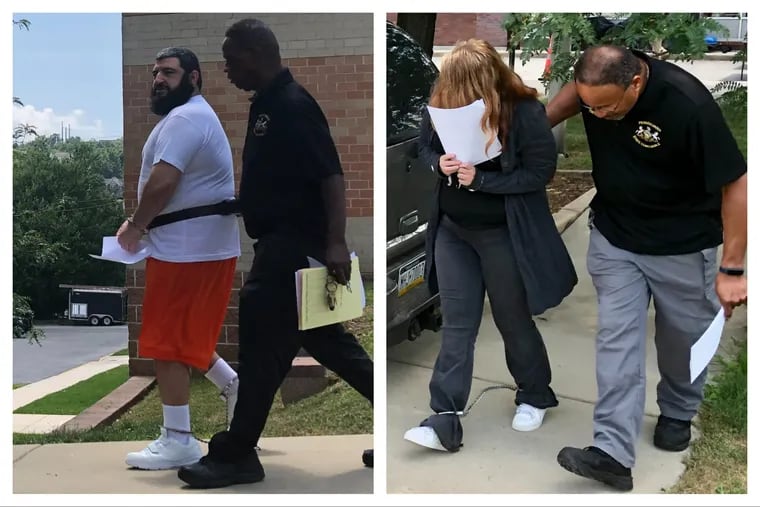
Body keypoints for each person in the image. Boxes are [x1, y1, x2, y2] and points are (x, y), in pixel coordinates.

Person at [177, 18, 374, 488]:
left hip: (289, 252)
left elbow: (330, 173)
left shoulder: (292, 104)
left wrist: (337, 241)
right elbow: (283, 177)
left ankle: (237, 453)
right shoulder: (267, 104)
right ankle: (389, 421)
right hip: (283, 244)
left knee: (261, 351)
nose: (225, 70)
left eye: (230, 60)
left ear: (255, 53)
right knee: (333, 347)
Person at [546, 45, 747, 491]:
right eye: (587, 105)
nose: (595, 116)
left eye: (605, 107)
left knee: (681, 339)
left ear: (635, 83)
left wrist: (732, 269)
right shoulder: (591, 90)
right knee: (617, 339)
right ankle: (612, 453)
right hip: (616, 237)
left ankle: (677, 409)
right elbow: (549, 116)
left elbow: (736, 183)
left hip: (682, 245)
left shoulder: (686, 104)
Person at [402, 39, 577, 454]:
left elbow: (540, 172)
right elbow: (424, 145)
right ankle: (443, 418)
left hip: (504, 233)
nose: (455, 95)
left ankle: (535, 394)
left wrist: (481, 181)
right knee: (457, 325)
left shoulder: (524, 111)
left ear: (487, 78)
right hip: (453, 230)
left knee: (512, 319)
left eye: (466, 86)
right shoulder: (442, 104)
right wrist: (436, 163)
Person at [117, 47, 242, 470]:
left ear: (193, 78)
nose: (157, 79)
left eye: (168, 72)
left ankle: (178, 439)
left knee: (165, 342)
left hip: (189, 250)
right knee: (180, 335)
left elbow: (163, 182)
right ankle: (232, 385)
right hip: (194, 247)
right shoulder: (189, 117)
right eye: (154, 72)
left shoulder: (187, 118)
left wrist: (135, 227)